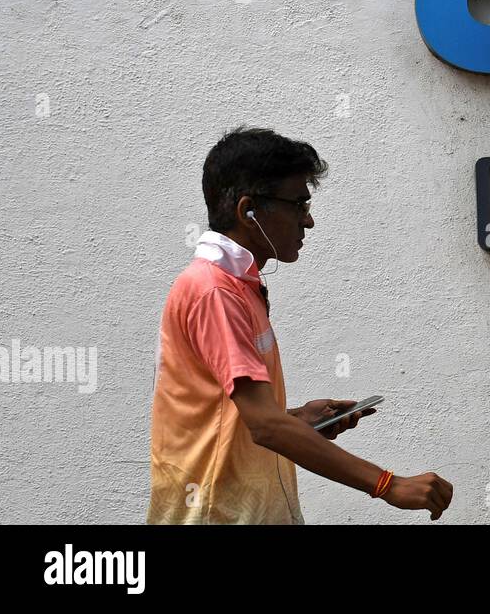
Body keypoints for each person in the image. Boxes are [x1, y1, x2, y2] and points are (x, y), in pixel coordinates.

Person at [147, 126, 452, 523]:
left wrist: (298, 421)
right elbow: (265, 428)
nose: (308, 222)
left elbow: (234, 421)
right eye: (298, 205)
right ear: (247, 211)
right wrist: (388, 485)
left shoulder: (236, 286)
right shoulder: (214, 292)